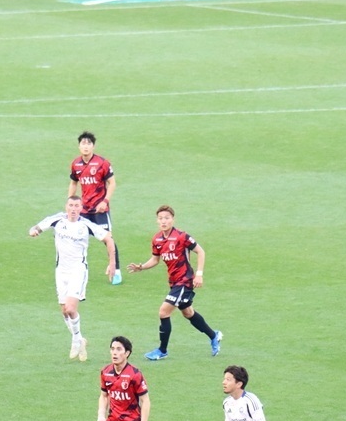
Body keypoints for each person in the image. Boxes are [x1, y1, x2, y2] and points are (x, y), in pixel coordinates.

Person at [127, 205, 222, 361]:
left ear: (173, 219)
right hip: (174, 282)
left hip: (185, 281)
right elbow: (155, 259)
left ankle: (162, 350)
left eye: (167, 218)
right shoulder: (157, 239)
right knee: (188, 313)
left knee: (163, 312)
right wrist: (141, 267)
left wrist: (199, 274)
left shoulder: (181, 237)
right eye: (160, 218)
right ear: (157, 221)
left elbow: (200, 251)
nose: (163, 221)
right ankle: (214, 336)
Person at [29, 196, 116, 362]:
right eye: (71, 205)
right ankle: (80, 339)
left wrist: (112, 263)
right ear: (66, 207)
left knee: (70, 308)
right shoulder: (58, 220)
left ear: (81, 208)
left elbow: (108, 239)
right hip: (61, 271)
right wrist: (34, 231)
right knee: (64, 311)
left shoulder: (86, 225)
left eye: (77, 206)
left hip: (78, 270)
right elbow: (38, 227)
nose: (73, 209)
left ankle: (76, 340)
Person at [68, 131, 122, 285]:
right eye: (83, 144)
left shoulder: (102, 163)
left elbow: (112, 183)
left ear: (93, 146)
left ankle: (116, 271)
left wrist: (105, 201)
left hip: (100, 210)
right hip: (84, 210)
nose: (86, 146)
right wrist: (70, 203)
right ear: (79, 146)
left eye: (89, 143)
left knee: (107, 239)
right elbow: (73, 182)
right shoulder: (76, 164)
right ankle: (74, 270)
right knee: (75, 238)